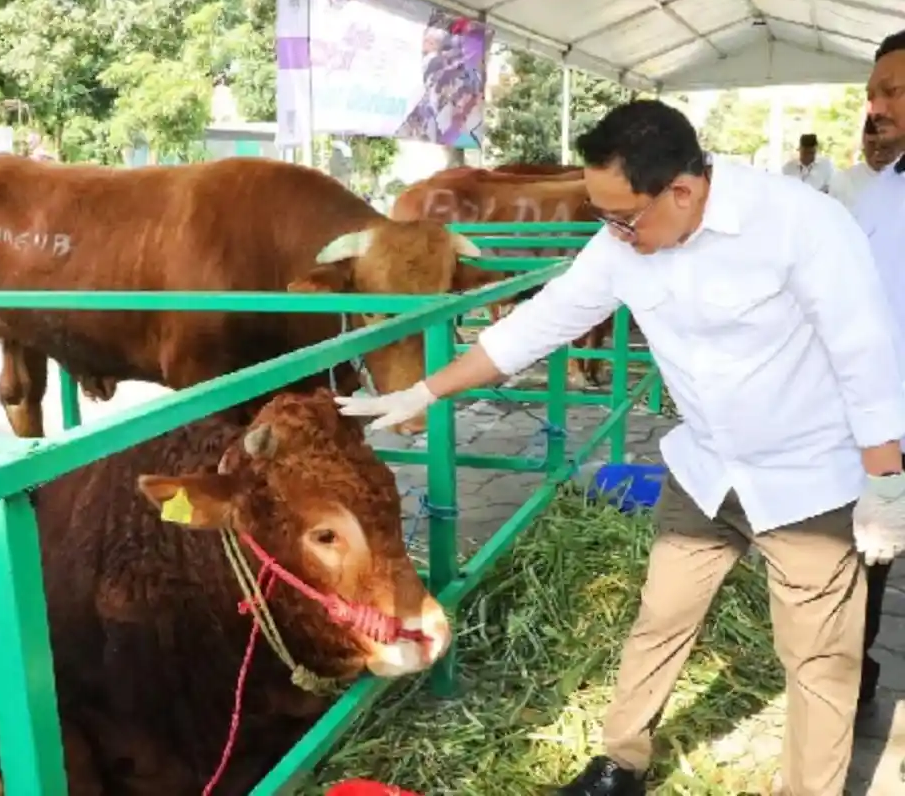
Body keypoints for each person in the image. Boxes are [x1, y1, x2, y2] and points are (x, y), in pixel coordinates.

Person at [335, 100, 905, 796]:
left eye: (623, 218)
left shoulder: (803, 226)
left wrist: (885, 480)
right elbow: (538, 325)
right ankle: (620, 764)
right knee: (662, 614)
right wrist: (425, 392)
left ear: (684, 191)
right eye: (603, 217)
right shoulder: (623, 239)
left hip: (805, 477)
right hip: (704, 467)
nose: (613, 234)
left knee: (818, 658)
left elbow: (866, 352)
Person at [850, 27, 905, 720]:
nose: (876, 107)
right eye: (872, 94)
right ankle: (852, 676)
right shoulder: (878, 187)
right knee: (871, 553)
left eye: (891, 91)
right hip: (884, 417)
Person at [830, 116, 896, 211]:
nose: (878, 152)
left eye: (884, 146)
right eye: (872, 144)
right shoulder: (843, 181)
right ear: (863, 142)